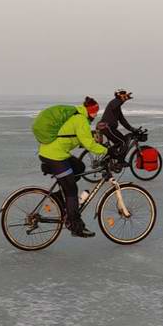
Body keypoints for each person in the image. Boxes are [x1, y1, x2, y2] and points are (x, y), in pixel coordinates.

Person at [38, 97, 108, 237]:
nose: (95, 115)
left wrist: (97, 140)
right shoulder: (81, 120)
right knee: (71, 190)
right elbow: (89, 144)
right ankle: (75, 226)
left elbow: (79, 138)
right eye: (95, 112)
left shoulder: (77, 116)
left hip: (53, 152)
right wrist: (107, 151)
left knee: (79, 167)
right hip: (54, 156)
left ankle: (58, 197)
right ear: (91, 111)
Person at [98, 89, 138, 162]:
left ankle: (109, 158)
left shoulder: (117, 108)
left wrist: (132, 129)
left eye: (125, 93)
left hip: (108, 127)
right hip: (106, 127)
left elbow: (123, 121)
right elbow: (116, 103)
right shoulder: (114, 102)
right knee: (122, 142)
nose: (125, 95)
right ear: (118, 95)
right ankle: (120, 161)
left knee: (122, 141)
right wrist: (125, 98)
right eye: (123, 93)